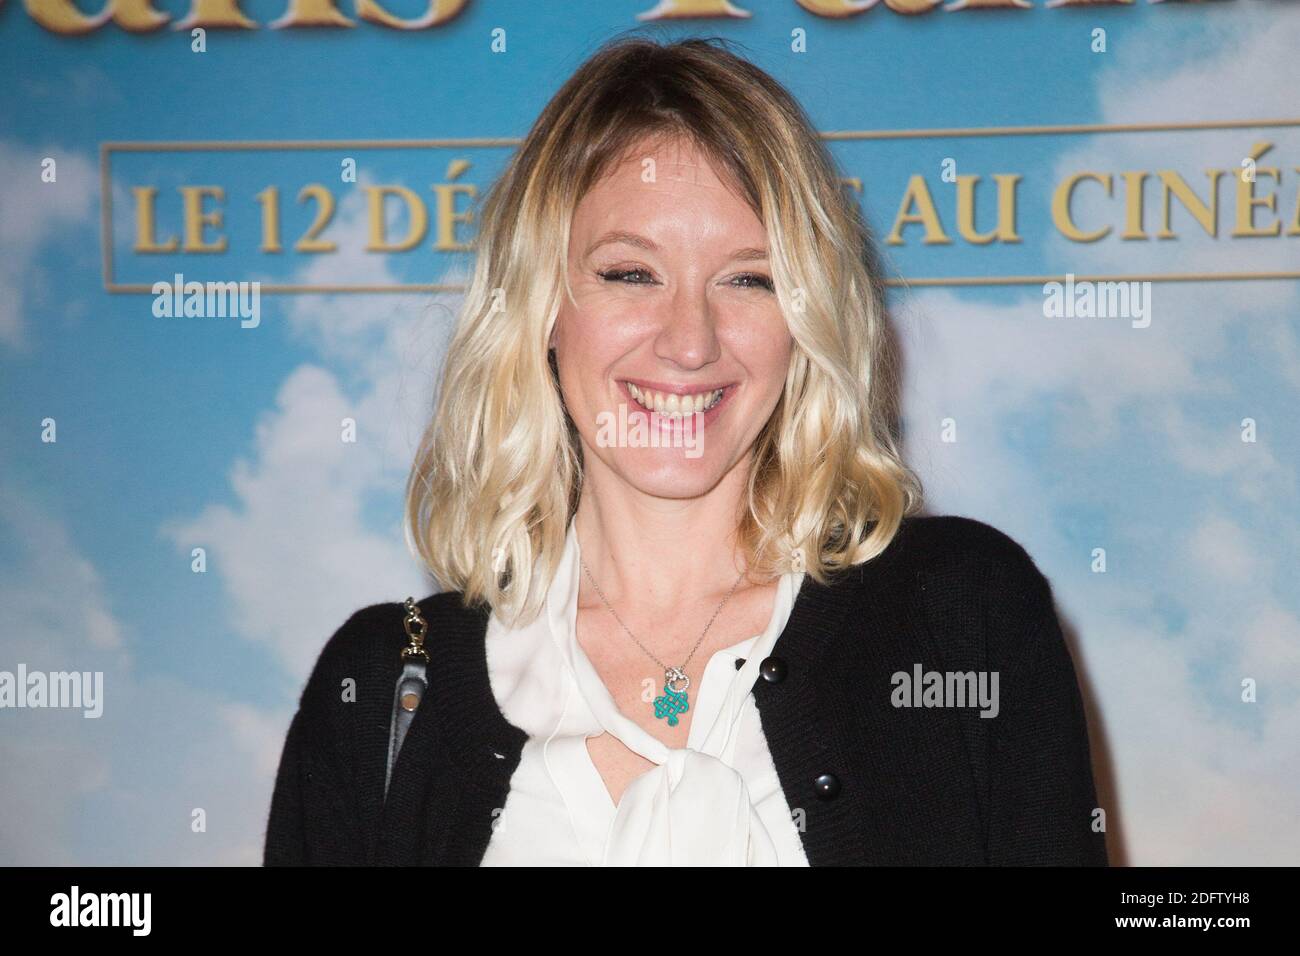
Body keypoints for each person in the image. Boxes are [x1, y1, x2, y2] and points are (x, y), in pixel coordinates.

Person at [263, 35, 1108, 867]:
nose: (690, 342)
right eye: (631, 274)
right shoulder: (381, 691)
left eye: (749, 279)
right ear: (542, 307)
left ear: (807, 320)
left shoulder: (961, 616)